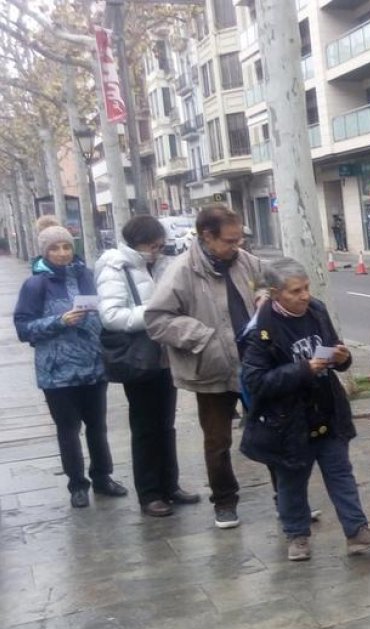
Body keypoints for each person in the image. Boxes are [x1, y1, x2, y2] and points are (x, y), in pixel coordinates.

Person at [239, 258, 370, 561]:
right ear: (275, 293)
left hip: (326, 409)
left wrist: (342, 358)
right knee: (292, 480)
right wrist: (303, 369)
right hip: (288, 420)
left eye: (306, 287)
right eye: (295, 291)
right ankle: (297, 536)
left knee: (341, 473)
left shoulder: (317, 310)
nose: (304, 296)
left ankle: (357, 531)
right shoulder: (262, 330)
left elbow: (335, 347)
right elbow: (255, 381)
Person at [145, 205, 267, 530]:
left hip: (254, 364)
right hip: (212, 368)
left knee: (274, 430)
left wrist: (264, 296)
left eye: (239, 239)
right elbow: (157, 320)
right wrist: (203, 337)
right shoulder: (182, 270)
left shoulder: (243, 260)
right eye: (229, 240)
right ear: (207, 237)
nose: (235, 246)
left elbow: (272, 280)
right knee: (217, 441)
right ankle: (225, 502)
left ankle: (290, 498)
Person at [14, 225, 126, 508]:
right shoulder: (35, 284)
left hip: (93, 366)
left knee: (97, 427)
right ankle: (77, 485)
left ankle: (103, 478)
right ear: (45, 251)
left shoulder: (87, 276)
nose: (62, 253)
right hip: (57, 373)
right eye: (54, 248)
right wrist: (59, 321)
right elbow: (24, 328)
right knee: (68, 429)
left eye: (66, 246)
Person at [95, 216, 200, 517]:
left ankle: (170, 485)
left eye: (159, 245)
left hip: (165, 354)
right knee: (144, 426)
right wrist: (155, 312)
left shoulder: (160, 263)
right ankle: (150, 493)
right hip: (138, 357)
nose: (156, 250)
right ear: (137, 243)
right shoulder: (116, 266)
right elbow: (112, 315)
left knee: (165, 424)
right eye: (151, 246)